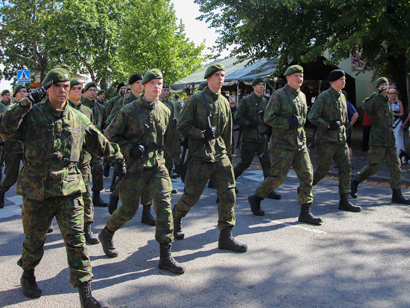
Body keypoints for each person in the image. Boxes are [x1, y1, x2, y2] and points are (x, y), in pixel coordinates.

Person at [0, 68, 124, 308]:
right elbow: (3, 129)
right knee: (34, 241)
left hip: (70, 188)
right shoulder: (31, 115)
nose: (63, 90)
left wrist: (118, 157)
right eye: (57, 86)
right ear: (46, 89)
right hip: (37, 189)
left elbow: (98, 141)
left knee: (77, 242)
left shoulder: (78, 117)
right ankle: (28, 274)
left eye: (66, 85)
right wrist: (24, 103)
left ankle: (86, 298)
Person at [99, 69, 185, 273]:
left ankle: (165, 255)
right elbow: (108, 136)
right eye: (153, 83)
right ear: (144, 86)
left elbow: (171, 139)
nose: (158, 87)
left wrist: (179, 161)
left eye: (160, 83)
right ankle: (107, 233)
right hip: (134, 168)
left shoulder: (165, 110)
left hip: (157, 166)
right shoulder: (128, 111)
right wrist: (129, 149)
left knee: (164, 206)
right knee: (128, 210)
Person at [173, 63, 247, 252]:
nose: (220, 78)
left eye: (222, 75)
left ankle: (226, 236)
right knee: (191, 197)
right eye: (216, 75)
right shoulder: (196, 100)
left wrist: (228, 156)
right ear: (208, 79)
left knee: (228, 193)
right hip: (200, 156)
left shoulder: (224, 101)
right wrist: (201, 134)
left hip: (220, 154)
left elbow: (228, 133)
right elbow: (182, 126)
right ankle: (175, 218)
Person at [246, 65, 323, 224]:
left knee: (308, 175)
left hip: (299, 144)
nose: (299, 79)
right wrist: (288, 122)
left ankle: (305, 212)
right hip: (282, 145)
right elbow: (268, 118)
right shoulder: (279, 95)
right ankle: (256, 197)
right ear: (288, 78)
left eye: (301, 76)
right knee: (277, 178)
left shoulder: (302, 95)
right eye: (296, 76)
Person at [351, 77, 410, 205]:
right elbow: (365, 106)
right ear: (378, 87)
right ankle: (355, 181)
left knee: (396, 167)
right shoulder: (374, 99)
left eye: (387, 84)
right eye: (383, 84)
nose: (386, 86)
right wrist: (376, 93)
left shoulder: (387, 100)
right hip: (378, 140)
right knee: (373, 166)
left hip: (390, 139)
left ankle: (397, 193)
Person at [307, 69, 361, 212]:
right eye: (341, 79)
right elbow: (312, 116)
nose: (344, 81)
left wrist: (346, 131)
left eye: (344, 79)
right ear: (333, 82)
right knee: (323, 170)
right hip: (326, 140)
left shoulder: (343, 97)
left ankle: (345, 199)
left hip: (340, 141)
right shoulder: (324, 97)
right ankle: (305, 187)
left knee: (346, 168)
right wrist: (328, 124)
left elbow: (344, 119)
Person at [107, 73, 157, 226]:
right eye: (137, 82)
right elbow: (111, 127)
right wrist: (127, 147)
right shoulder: (123, 104)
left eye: (143, 82)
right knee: (127, 179)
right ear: (130, 85)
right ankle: (115, 195)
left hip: (147, 150)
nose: (141, 85)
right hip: (129, 151)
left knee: (148, 181)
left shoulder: (150, 101)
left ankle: (147, 213)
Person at [233, 77, 281, 199]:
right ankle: (229, 183)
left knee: (267, 164)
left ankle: (268, 189)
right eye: (259, 84)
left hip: (263, 138)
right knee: (245, 163)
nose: (261, 86)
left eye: (262, 84)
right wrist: (249, 123)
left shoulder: (266, 101)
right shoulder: (246, 101)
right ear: (253, 86)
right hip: (249, 138)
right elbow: (238, 117)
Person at [66, 79, 99, 244]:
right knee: (65, 197)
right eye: (74, 89)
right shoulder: (62, 110)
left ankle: (87, 228)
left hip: (84, 159)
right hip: (66, 163)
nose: (78, 91)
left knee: (87, 193)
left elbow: (93, 134)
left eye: (80, 89)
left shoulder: (87, 111)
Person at [0, 85, 26, 208]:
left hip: (28, 148)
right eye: (20, 92)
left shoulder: (32, 109)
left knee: (31, 176)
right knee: (11, 175)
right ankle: (1, 191)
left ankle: (32, 203)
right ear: (15, 95)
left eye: (25, 92)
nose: (23, 94)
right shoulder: (9, 109)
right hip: (12, 147)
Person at [82, 82, 108, 207]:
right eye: (90, 90)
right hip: (83, 145)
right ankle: (83, 197)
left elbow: (104, 125)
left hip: (96, 144)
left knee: (98, 170)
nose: (93, 92)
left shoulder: (101, 108)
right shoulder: (79, 108)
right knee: (83, 172)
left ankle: (96, 196)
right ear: (85, 91)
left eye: (94, 90)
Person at [342, 90, 358, 163]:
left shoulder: (347, 104)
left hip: (346, 128)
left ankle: (348, 163)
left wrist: (350, 124)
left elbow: (356, 115)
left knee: (347, 146)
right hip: (342, 128)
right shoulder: (343, 104)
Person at [388, 88, 405, 155]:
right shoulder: (387, 103)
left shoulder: (399, 102)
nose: (393, 95)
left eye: (394, 93)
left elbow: (402, 113)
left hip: (397, 122)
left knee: (398, 138)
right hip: (389, 123)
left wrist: (395, 114)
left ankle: (399, 154)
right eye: (391, 93)